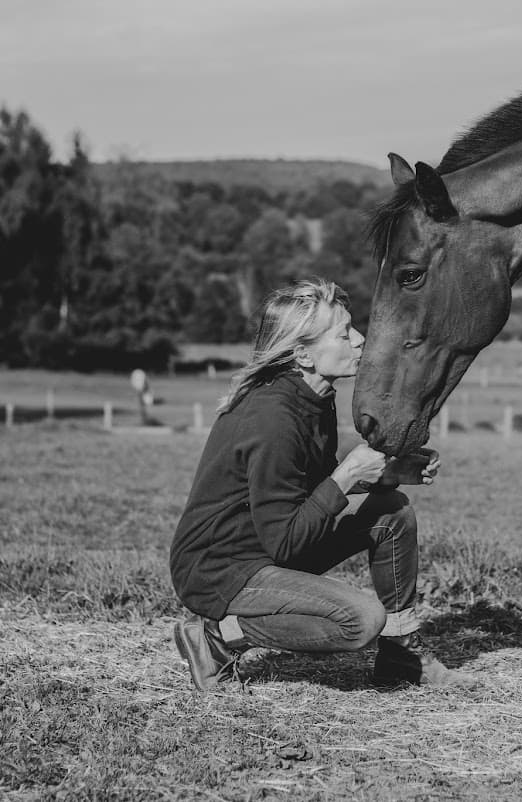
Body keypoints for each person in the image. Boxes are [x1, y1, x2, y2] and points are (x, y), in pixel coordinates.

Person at [170, 278, 470, 692]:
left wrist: (390, 474)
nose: (360, 340)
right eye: (344, 334)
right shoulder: (273, 420)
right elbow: (288, 543)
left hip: (264, 545)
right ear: (303, 354)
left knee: (393, 512)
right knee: (360, 621)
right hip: (221, 567)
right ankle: (218, 637)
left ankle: (401, 653)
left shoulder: (313, 396)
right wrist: (346, 475)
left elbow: (308, 483)